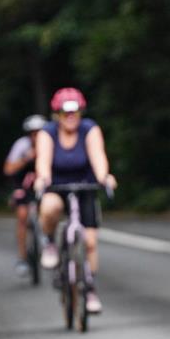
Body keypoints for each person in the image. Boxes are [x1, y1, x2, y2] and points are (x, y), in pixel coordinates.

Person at [34, 87, 117, 314]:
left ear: (81, 112)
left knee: (90, 242)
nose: (70, 117)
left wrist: (104, 177)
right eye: (64, 113)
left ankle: (89, 289)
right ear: (57, 114)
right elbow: (43, 160)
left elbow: (98, 156)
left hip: (85, 187)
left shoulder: (89, 129)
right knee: (49, 207)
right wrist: (42, 179)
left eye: (75, 112)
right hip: (57, 186)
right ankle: (50, 243)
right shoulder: (47, 133)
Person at [4, 114, 47, 277]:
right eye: (34, 133)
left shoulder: (50, 144)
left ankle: (47, 240)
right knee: (22, 216)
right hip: (23, 186)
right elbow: (8, 169)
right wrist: (25, 158)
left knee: (50, 209)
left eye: (40, 132)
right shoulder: (21, 145)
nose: (37, 136)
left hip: (43, 185)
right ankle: (22, 257)